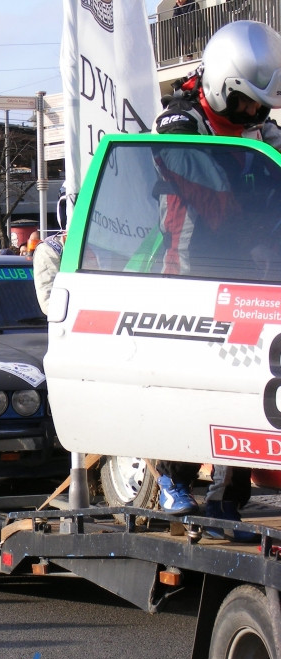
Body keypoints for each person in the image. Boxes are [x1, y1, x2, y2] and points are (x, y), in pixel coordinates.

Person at [149, 20, 281, 526]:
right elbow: (218, 201)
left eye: (260, 105)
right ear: (223, 88)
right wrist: (262, 217)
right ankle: (171, 477)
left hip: (246, 271)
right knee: (188, 383)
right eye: (247, 103)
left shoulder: (256, 123)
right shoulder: (178, 127)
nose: (255, 113)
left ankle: (227, 498)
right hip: (188, 272)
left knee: (243, 379)